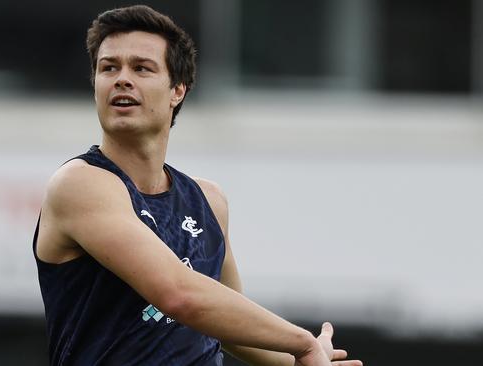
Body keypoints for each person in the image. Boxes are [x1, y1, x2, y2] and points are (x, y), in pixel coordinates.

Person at [33, 5, 363, 366]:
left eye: (141, 68)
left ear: (177, 90)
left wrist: (305, 360)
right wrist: (302, 342)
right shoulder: (80, 183)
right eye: (108, 67)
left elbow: (226, 323)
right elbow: (179, 295)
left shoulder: (208, 200)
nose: (121, 79)